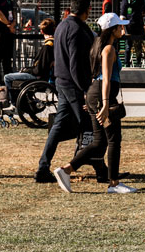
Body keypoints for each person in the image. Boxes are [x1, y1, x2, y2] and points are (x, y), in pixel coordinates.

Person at [53, 13, 137, 194]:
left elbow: (95, 76)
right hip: (102, 96)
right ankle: (114, 183)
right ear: (112, 29)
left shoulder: (97, 46)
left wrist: (91, 99)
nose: (122, 29)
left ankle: (66, 169)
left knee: (99, 142)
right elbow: (105, 79)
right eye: (120, 26)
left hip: (95, 95)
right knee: (114, 140)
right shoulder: (109, 49)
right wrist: (104, 104)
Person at [35, 0, 94, 184]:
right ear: (87, 10)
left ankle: (43, 167)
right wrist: (86, 89)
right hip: (73, 84)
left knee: (59, 125)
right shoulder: (77, 30)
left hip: (61, 81)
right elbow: (76, 64)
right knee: (88, 125)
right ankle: (80, 166)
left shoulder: (62, 26)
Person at [3, 18, 57, 94]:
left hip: (38, 77)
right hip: (43, 75)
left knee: (7, 77)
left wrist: (27, 70)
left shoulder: (47, 47)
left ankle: (13, 100)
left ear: (41, 31)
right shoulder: (54, 43)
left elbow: (39, 69)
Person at [121, 0, 145, 67]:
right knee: (128, 46)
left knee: (138, 45)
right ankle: (127, 63)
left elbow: (144, 13)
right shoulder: (125, 1)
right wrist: (123, 28)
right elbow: (122, 15)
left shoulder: (140, 0)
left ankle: (138, 63)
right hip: (129, 26)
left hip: (139, 26)